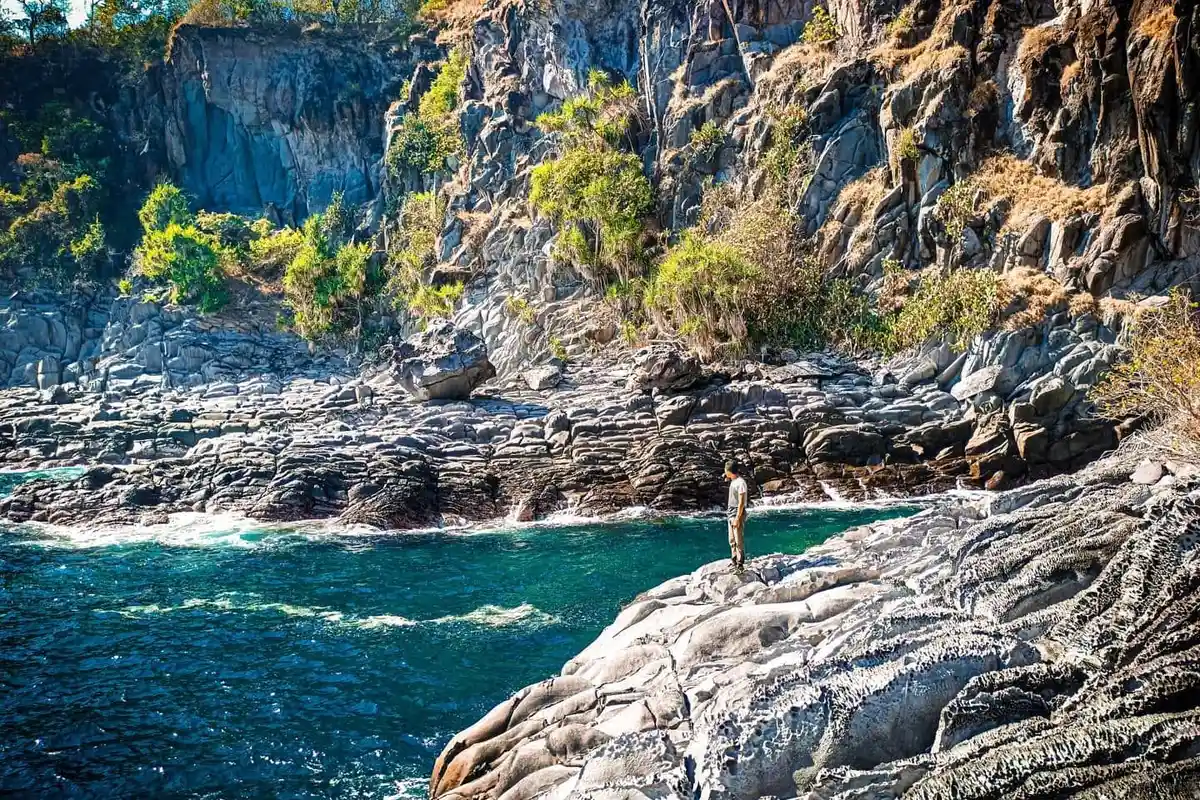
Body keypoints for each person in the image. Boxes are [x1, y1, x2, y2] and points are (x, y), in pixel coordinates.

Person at [724, 460, 748, 572]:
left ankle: (740, 564)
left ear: (729, 471)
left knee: (738, 540)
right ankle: (733, 560)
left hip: (736, 513)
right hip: (730, 513)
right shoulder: (733, 481)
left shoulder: (741, 483)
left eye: (725, 470)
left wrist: (738, 518)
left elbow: (741, 502)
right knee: (731, 540)